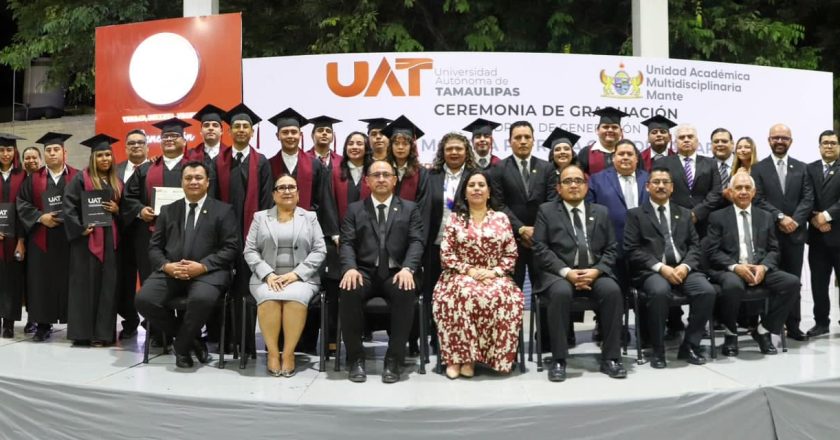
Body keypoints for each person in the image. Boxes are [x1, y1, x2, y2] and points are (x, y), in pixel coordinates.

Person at [135, 162, 240, 368]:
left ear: (207, 182)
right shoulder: (168, 210)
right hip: (172, 270)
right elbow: (154, 247)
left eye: (199, 177)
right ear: (181, 182)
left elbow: (231, 248)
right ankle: (192, 339)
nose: (193, 182)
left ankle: (182, 347)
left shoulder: (223, 210)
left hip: (209, 272)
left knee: (200, 299)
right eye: (188, 178)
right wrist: (167, 266)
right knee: (144, 300)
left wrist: (202, 266)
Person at [532, 165, 626, 381]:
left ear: (586, 186)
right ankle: (558, 359)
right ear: (558, 188)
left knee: (612, 291)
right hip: (559, 274)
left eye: (578, 181)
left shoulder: (600, 212)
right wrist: (566, 272)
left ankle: (611, 358)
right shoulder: (546, 211)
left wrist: (596, 271)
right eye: (567, 181)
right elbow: (540, 248)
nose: (573, 185)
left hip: (595, 272)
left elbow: (612, 248)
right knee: (561, 293)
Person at [338, 160, 424, 384]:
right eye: (376, 175)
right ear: (367, 181)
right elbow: (347, 242)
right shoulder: (355, 209)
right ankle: (355, 358)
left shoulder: (409, 208)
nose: (382, 179)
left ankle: (393, 360)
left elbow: (416, 242)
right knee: (349, 288)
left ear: (395, 180)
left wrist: (408, 268)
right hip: (364, 271)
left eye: (387, 174)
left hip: (397, 272)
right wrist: (350, 268)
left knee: (407, 289)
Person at [433, 169, 523, 378]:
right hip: (458, 274)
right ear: (464, 192)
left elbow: (511, 254)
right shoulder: (455, 219)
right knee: (461, 294)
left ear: (489, 192)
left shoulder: (501, 218)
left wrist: (493, 272)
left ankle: (491, 358)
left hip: (495, 276)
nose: (476, 189)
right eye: (471, 185)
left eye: (481, 185)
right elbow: (446, 254)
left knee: (505, 297)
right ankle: (460, 358)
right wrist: (470, 270)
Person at [623, 167, 715, 368]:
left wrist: (685, 266)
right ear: (647, 187)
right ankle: (658, 349)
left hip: (684, 268)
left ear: (672, 187)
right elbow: (631, 249)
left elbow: (694, 246)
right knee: (659, 292)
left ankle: (690, 344)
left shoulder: (683, 213)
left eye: (665, 182)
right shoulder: (635, 215)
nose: (661, 186)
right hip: (652, 271)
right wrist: (661, 268)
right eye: (656, 182)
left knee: (707, 291)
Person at [704, 172, 799, 356]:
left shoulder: (765, 216)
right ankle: (731, 333)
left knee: (792, 283)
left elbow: (774, 250)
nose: (743, 192)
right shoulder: (717, 217)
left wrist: (763, 267)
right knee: (732, 285)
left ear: (754, 192)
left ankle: (763, 330)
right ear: (730, 192)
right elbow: (712, 252)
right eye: (739, 188)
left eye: (747, 188)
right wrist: (736, 267)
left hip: (759, 268)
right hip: (730, 269)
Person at [267, 108, 337, 352]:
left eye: (294, 132)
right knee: (279, 287)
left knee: (307, 286)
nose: (290, 136)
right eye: (285, 132)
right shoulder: (269, 164)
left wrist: (324, 230)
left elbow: (324, 199)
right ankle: (277, 342)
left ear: (300, 135)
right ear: (277, 136)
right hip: (277, 236)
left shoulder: (314, 165)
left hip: (307, 236)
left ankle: (306, 343)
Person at [243, 175, 326, 377]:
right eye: (281, 188)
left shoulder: (310, 217)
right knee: (270, 299)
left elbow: (320, 250)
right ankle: (272, 353)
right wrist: (267, 274)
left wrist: (295, 275)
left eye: (291, 187)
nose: (287, 191)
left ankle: (288, 354)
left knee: (294, 299)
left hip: (302, 278)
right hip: (266, 277)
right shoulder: (260, 217)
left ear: (298, 194)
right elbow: (250, 251)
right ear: (274, 194)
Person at [213, 103, 274, 352]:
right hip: (224, 237)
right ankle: (225, 341)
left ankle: (247, 342)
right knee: (224, 287)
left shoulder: (261, 162)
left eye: (245, 126)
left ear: (252, 132)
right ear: (230, 132)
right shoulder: (218, 162)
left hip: (252, 237)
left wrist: (258, 236)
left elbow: (267, 202)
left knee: (247, 289)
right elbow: (214, 199)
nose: (240, 130)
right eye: (236, 126)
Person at [751, 123, 813, 341]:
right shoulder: (758, 169)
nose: (779, 141)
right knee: (769, 282)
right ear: (768, 140)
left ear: (791, 141)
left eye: (784, 138)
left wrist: (795, 220)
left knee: (794, 281)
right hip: (769, 236)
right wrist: (780, 217)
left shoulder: (802, 168)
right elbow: (757, 199)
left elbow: (808, 198)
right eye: (775, 137)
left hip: (795, 235)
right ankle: (766, 327)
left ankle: (793, 326)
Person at [417, 132, 476, 356]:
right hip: (435, 244)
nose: (454, 152)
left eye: (458, 149)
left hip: (465, 248)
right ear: (442, 151)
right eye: (449, 148)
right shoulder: (431, 176)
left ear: (466, 151)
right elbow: (422, 209)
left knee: (460, 293)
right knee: (434, 292)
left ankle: (460, 337)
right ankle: (436, 337)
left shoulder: (475, 176)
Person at [62, 134, 123, 347]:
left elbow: (125, 209)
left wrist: (118, 210)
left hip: (110, 239)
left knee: (107, 286)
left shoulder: (117, 181)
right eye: (100, 155)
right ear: (93, 158)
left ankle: (103, 334)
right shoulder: (81, 178)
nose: (105, 158)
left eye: (108, 154)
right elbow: (68, 206)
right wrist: (80, 227)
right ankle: (82, 334)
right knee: (85, 286)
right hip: (86, 240)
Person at [16, 132, 78, 342]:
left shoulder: (77, 176)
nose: (52, 153)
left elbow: (86, 204)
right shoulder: (33, 179)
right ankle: (43, 325)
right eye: (49, 150)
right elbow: (22, 203)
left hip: (70, 239)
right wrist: (41, 218)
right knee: (41, 282)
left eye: (56, 150)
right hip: (42, 238)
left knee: (70, 281)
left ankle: (75, 324)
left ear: (64, 152)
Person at [490, 120, 558, 289]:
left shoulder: (547, 168)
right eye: (518, 137)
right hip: (511, 241)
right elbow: (499, 204)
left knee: (545, 291)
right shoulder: (498, 168)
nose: (523, 141)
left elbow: (551, 202)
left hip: (541, 241)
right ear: (510, 141)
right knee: (512, 291)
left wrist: (537, 232)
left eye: (527, 137)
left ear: (533, 140)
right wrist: (521, 229)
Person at [114, 129, 149, 340]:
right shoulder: (115, 170)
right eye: (131, 143)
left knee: (148, 280)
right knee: (123, 281)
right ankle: (129, 320)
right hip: (121, 233)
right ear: (126, 147)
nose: (136, 146)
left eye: (140, 142)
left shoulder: (155, 168)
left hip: (146, 233)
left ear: (147, 146)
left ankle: (150, 320)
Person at [805, 130, 840, 338]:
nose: (829, 146)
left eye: (833, 143)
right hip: (817, 237)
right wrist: (814, 219)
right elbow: (803, 197)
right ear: (819, 146)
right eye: (825, 143)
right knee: (818, 283)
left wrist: (825, 216)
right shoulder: (809, 169)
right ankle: (821, 322)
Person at [659, 124, 724, 236]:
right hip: (674, 221)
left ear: (697, 141)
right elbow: (660, 191)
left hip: (705, 222)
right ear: (675, 143)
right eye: (682, 137)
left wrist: (696, 213)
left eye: (690, 137)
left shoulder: (711, 163)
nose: (686, 140)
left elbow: (716, 192)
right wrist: (681, 214)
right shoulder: (663, 163)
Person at [0, 133, 26, 338]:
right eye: (1, 150)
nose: (5, 153)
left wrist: (21, 239)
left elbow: (26, 208)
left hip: (15, 236)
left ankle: (8, 322)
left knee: (12, 280)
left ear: (14, 152)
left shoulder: (23, 175)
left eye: (9, 149)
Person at [382, 115, 428, 206]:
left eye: (405, 144)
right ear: (391, 146)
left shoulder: (421, 172)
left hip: (412, 219)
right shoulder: (383, 169)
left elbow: (423, 205)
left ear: (411, 147)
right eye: (396, 143)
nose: (400, 147)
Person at [577, 106, 629, 175]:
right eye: (605, 127)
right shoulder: (586, 152)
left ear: (621, 131)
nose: (610, 130)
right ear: (597, 130)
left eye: (614, 127)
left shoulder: (629, 152)